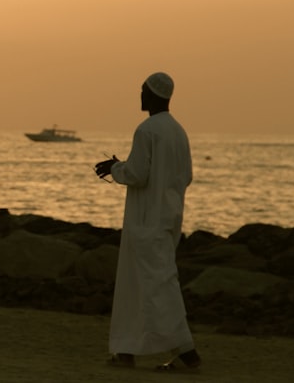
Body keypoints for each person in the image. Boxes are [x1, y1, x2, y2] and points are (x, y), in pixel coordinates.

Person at [94, 71, 201, 371]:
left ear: (154, 94)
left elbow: (137, 174)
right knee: (141, 283)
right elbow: (186, 176)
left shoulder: (147, 130)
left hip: (145, 221)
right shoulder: (178, 132)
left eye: (143, 90)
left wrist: (116, 168)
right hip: (168, 218)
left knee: (155, 285)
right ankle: (126, 350)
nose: (140, 95)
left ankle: (187, 352)